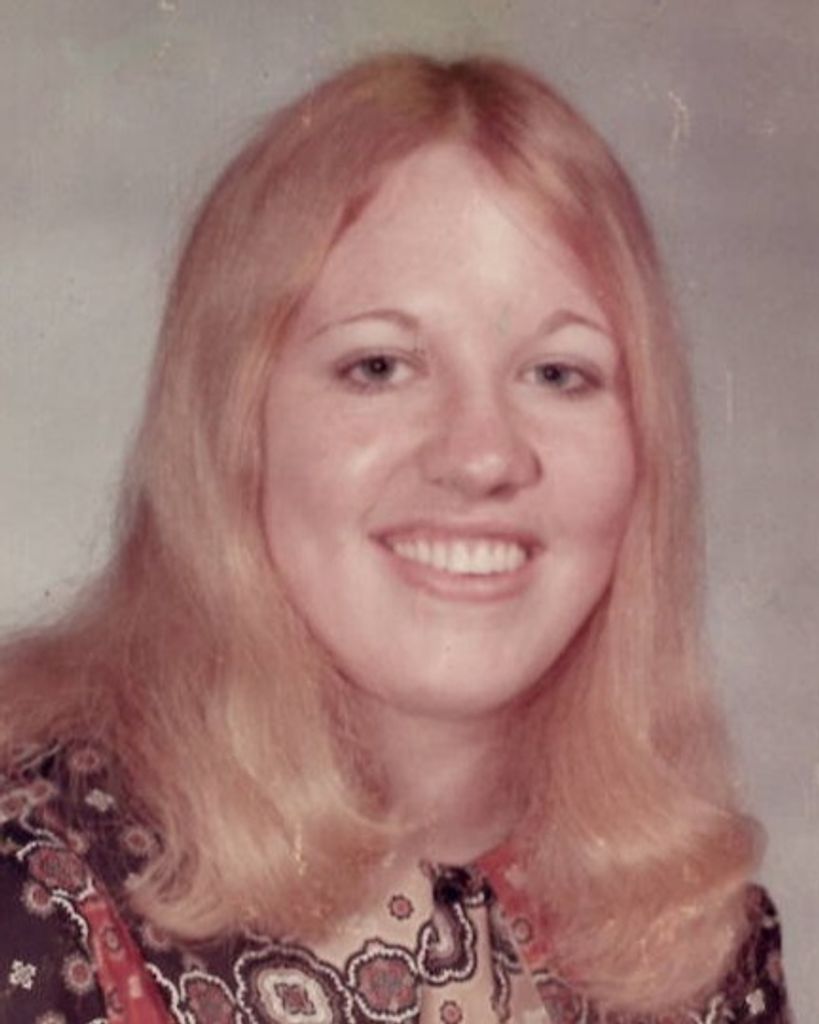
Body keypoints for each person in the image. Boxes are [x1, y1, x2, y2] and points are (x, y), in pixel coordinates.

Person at [0, 53, 790, 1024]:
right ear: (233, 428)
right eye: (380, 365)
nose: (482, 455)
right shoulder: (31, 906)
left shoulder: (699, 947)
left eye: (557, 373)